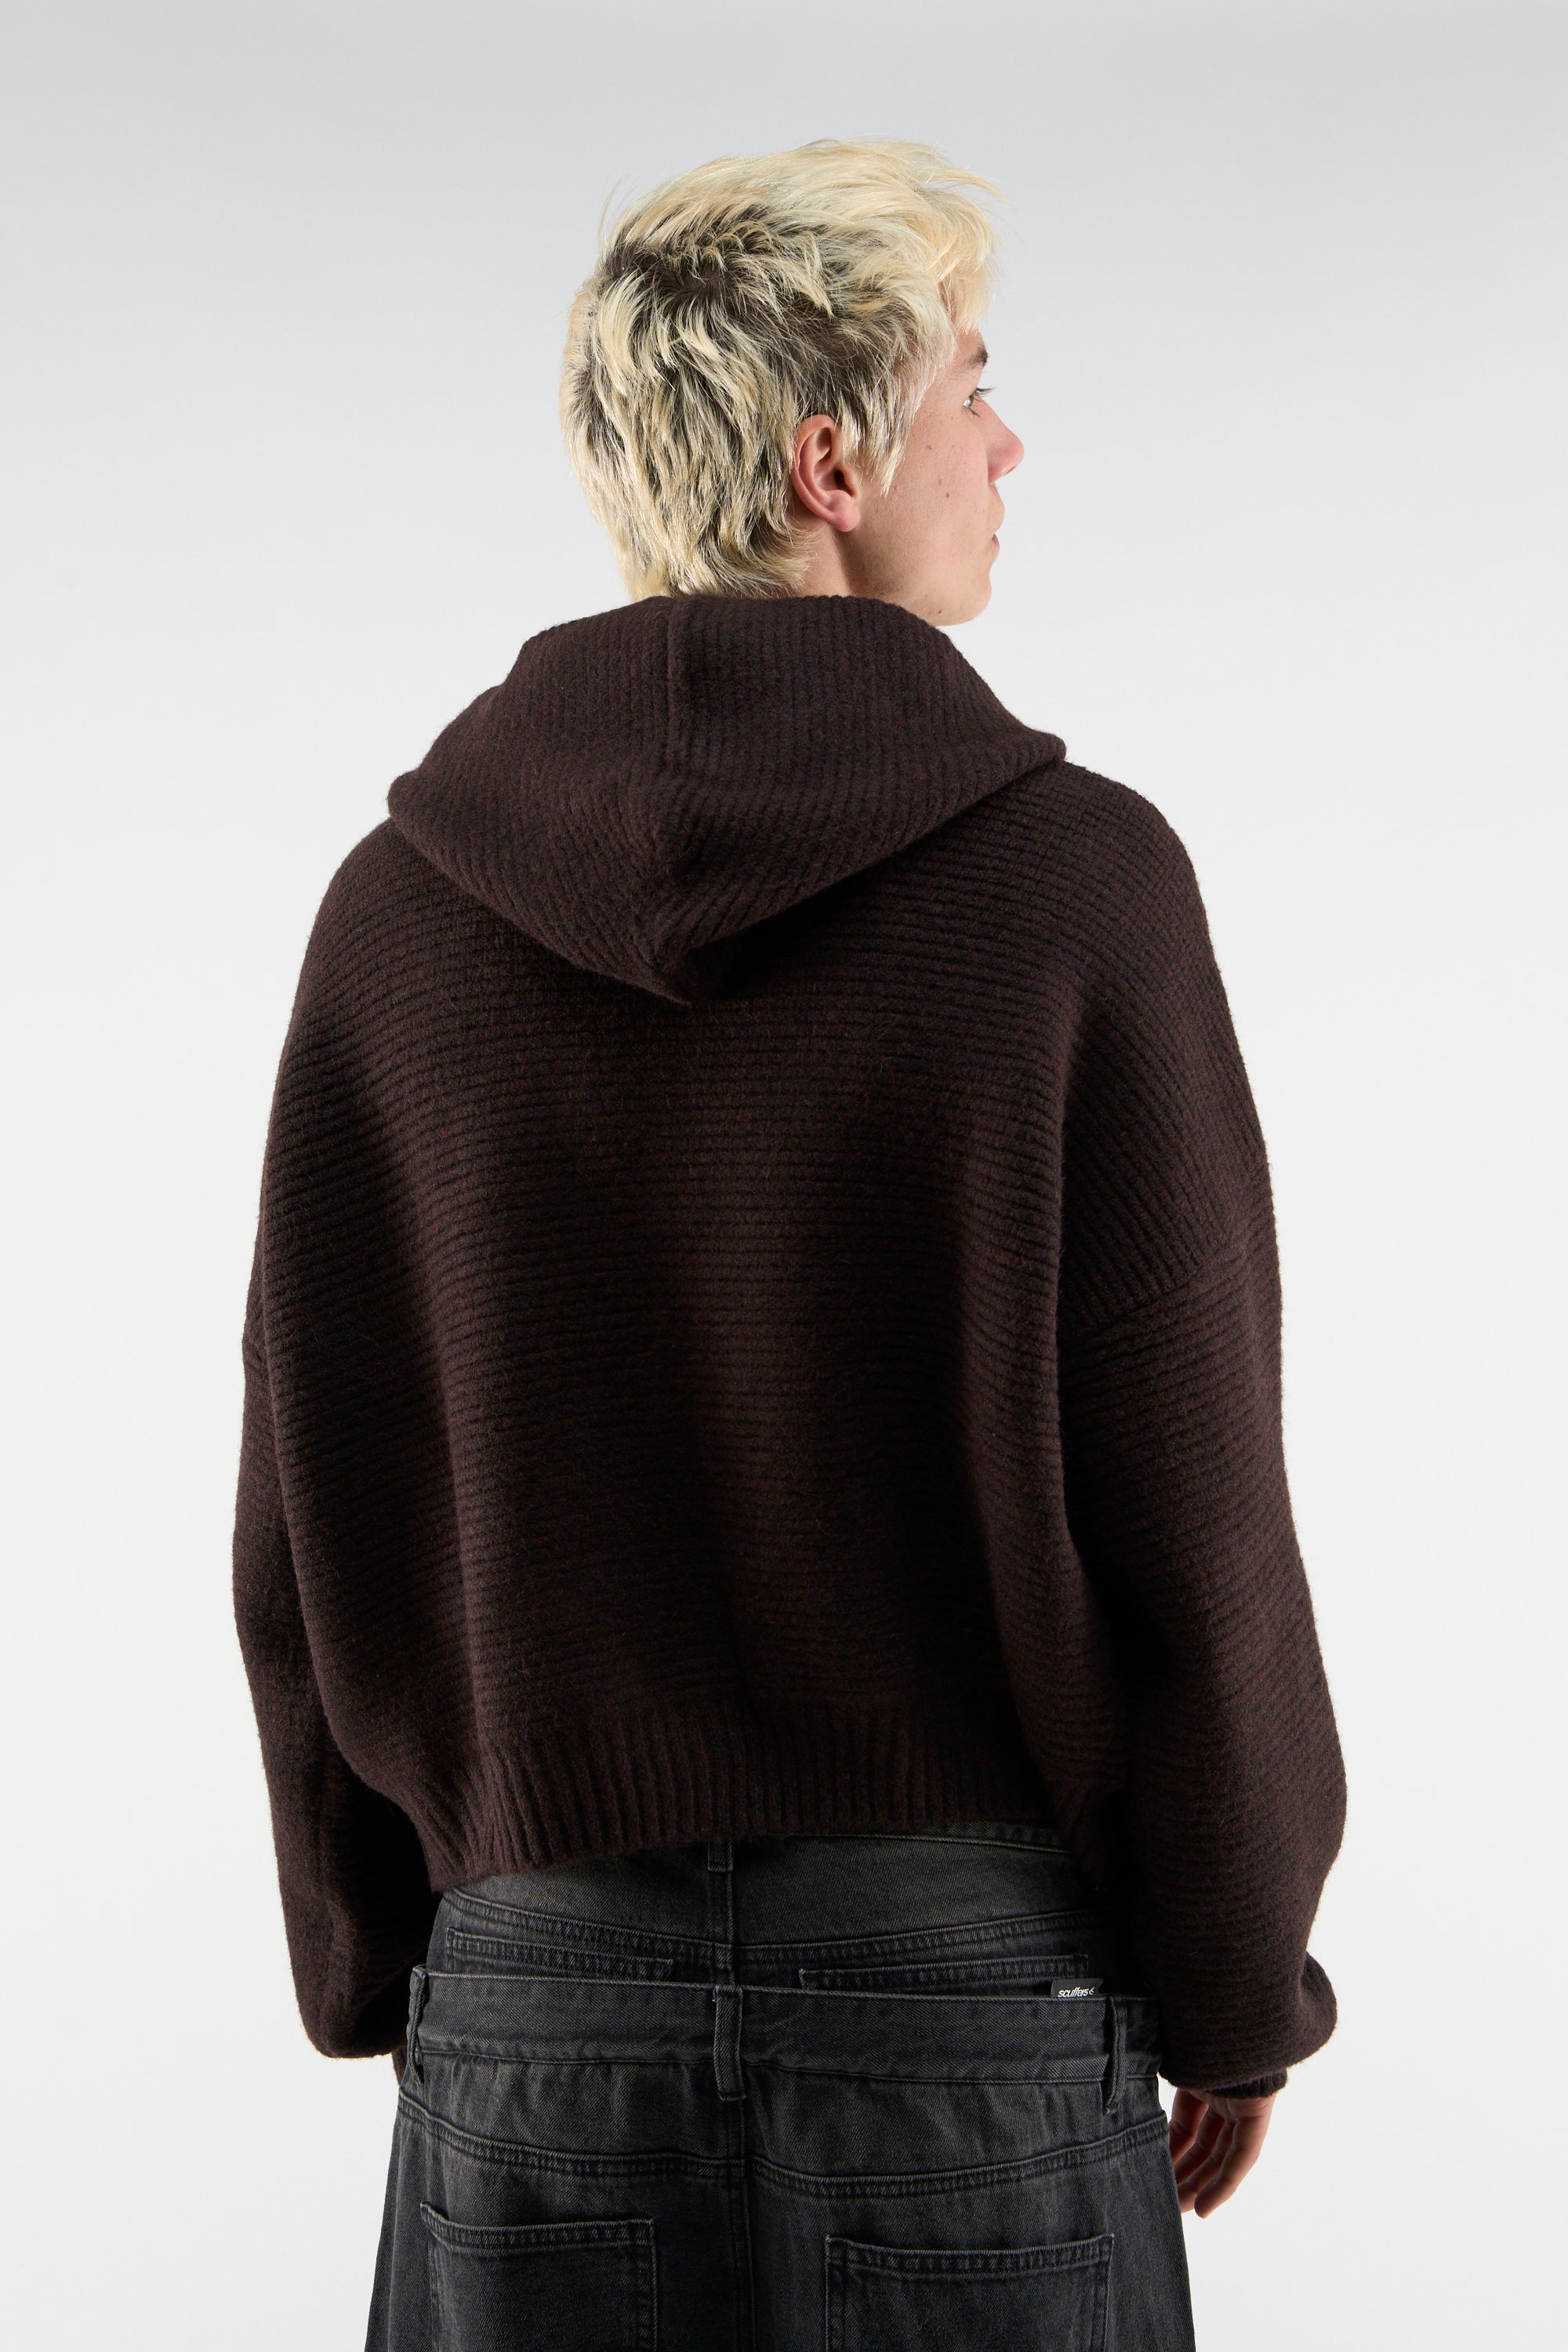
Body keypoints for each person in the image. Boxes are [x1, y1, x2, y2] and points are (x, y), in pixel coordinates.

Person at [232, 139, 1345, 2349]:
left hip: (535, 2012)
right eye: (972, 388)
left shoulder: (399, 919)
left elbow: (307, 1503)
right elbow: (1195, 1498)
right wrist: (1234, 1975)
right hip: (967, 2016)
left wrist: (384, 1953)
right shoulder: (1075, 891)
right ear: (832, 465)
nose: (1008, 445)